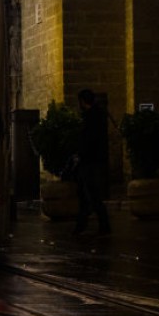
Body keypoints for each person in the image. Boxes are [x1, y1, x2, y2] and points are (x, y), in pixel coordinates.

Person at [73, 89, 112, 235]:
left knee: (90, 194)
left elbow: (87, 140)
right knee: (86, 193)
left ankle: (101, 224)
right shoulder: (99, 115)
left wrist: (80, 154)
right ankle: (82, 225)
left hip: (88, 160)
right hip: (93, 160)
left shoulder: (89, 117)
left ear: (82, 101)